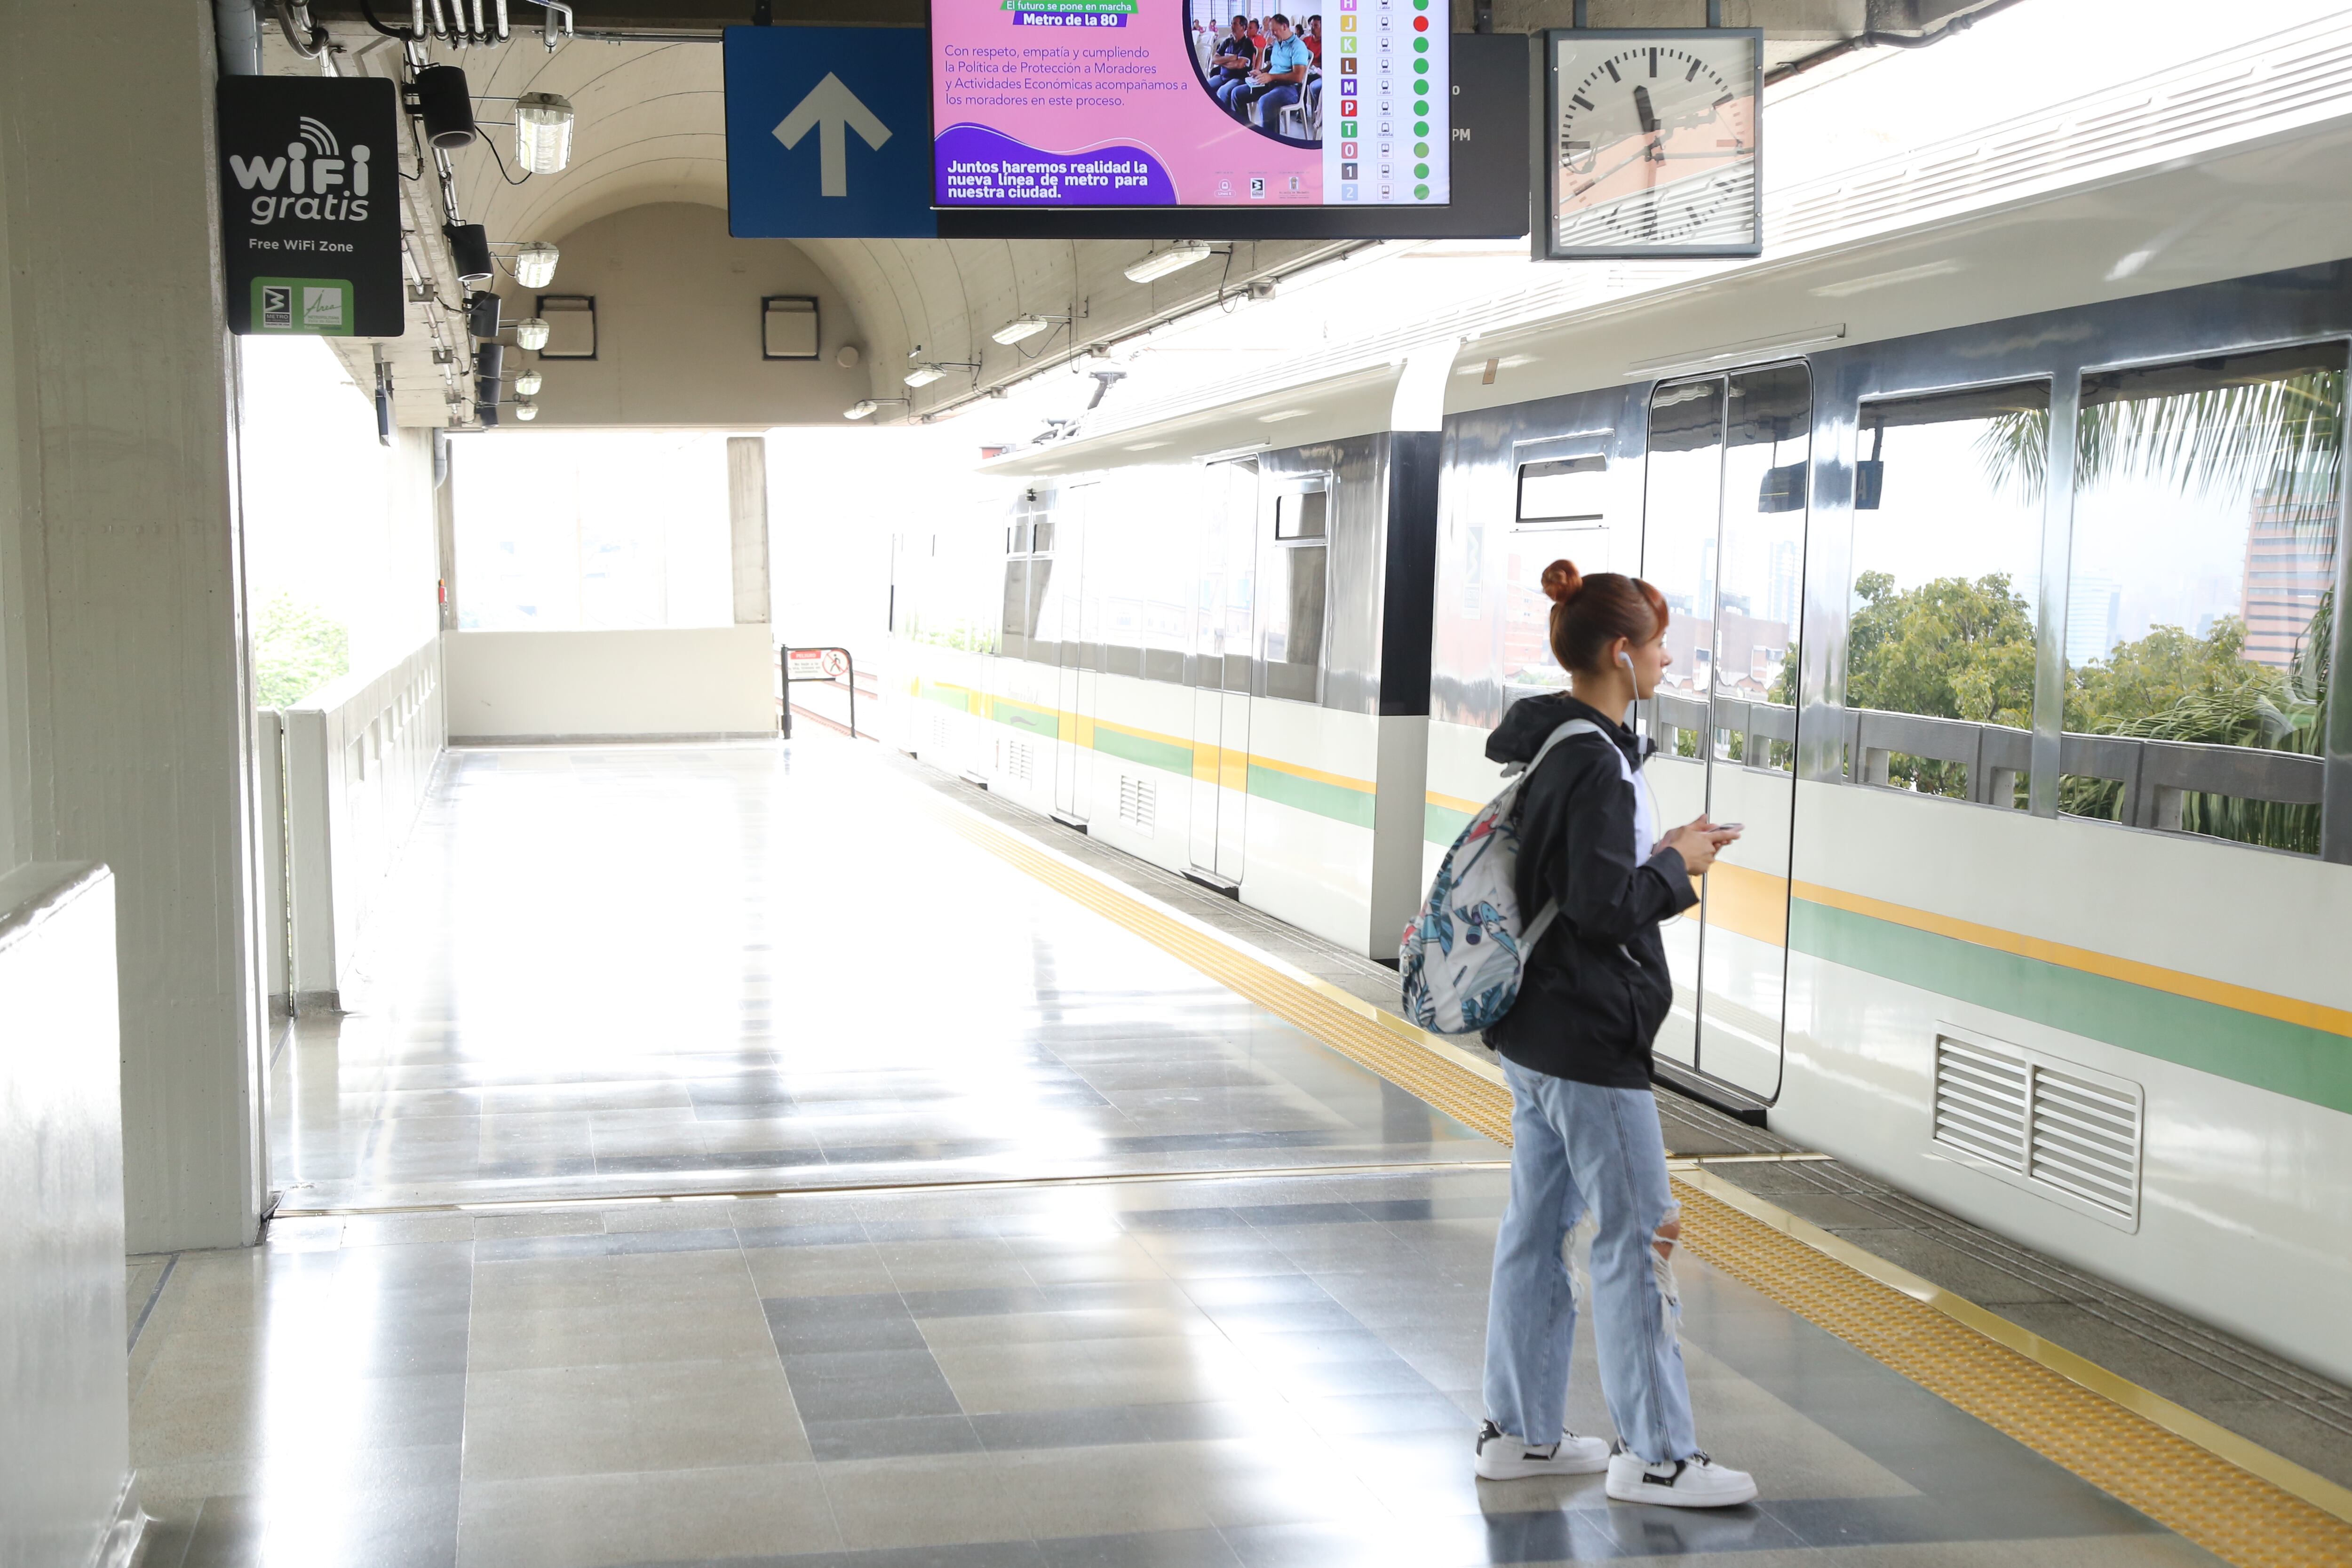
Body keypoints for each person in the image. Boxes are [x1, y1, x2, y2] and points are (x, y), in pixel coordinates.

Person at [1472, 559, 1759, 1510]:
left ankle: (1519, 1433)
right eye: (1660, 643)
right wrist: (1676, 866)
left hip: (1535, 1034)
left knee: (1536, 1230)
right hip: (1590, 1038)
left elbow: (1574, 881)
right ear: (1619, 652)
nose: (1669, 659)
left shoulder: (1555, 744)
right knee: (1637, 1236)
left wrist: (1660, 852)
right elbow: (1600, 908)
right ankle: (1658, 1453)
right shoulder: (1595, 760)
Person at [1233, 13, 1312, 127]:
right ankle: (1247, 130)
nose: (1273, 34)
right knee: (1237, 93)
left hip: (1289, 88)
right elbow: (1273, 64)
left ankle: (1272, 141)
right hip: (1272, 83)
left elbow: (1298, 77)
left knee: (1266, 102)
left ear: (1285, 27)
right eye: (1271, 31)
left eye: (1275, 31)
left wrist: (1271, 77)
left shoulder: (1298, 46)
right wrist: (1262, 72)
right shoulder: (1277, 43)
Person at [1208, 15, 1258, 111]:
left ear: (1243, 27)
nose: (1232, 26)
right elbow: (1214, 60)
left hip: (1238, 79)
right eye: (1232, 23)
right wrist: (1231, 58)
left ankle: (1226, 120)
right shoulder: (1227, 41)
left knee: (1223, 92)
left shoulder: (1247, 44)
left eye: (1235, 24)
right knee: (1204, 87)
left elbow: (1239, 65)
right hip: (1223, 76)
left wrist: (1222, 62)